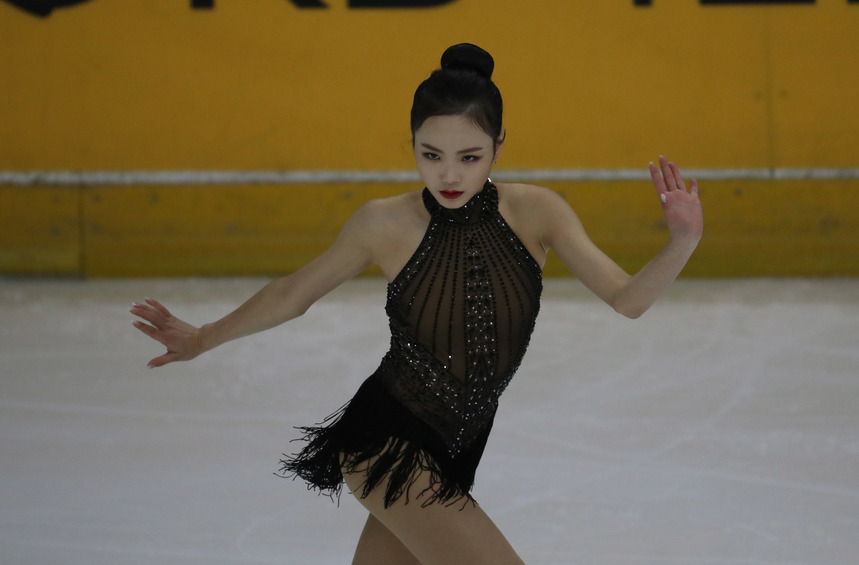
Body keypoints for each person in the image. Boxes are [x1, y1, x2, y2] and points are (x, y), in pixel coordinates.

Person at [131, 43, 703, 565]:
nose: (448, 175)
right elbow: (292, 293)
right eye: (430, 155)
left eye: (470, 157)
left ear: (500, 145)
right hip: (387, 442)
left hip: (457, 447)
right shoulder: (384, 223)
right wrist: (203, 337)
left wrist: (682, 242)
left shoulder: (538, 213)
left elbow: (629, 300)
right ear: (412, 144)